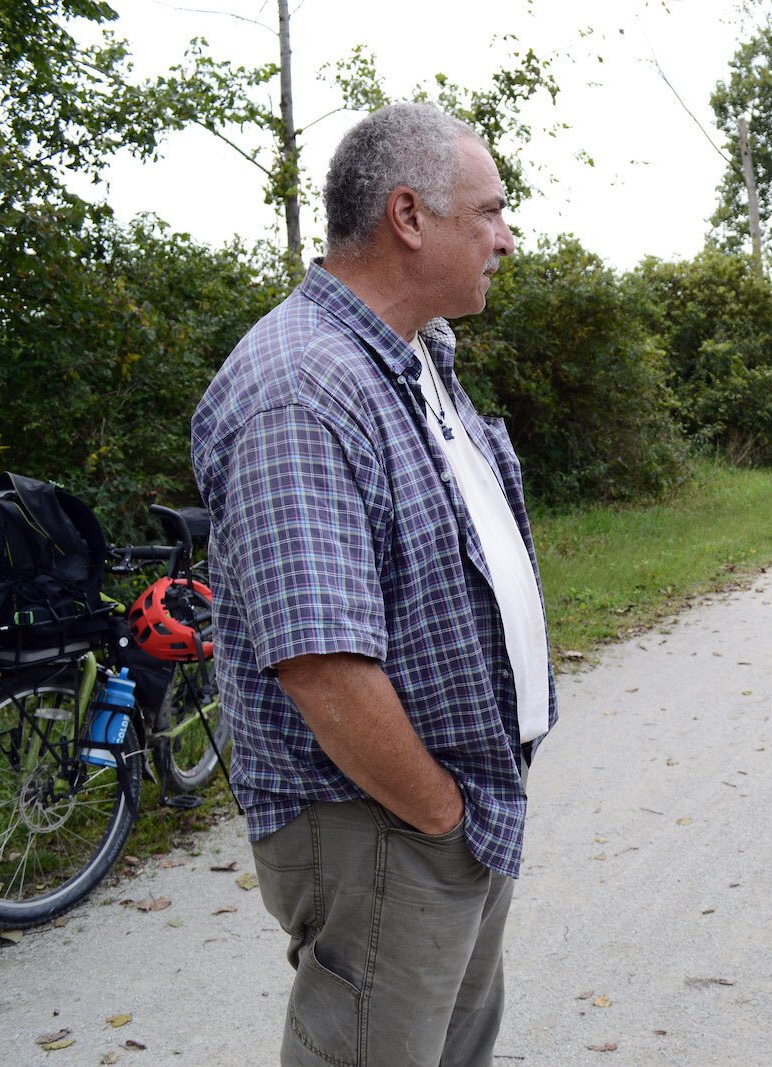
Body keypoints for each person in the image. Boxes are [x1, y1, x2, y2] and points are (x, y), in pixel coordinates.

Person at [192, 102, 555, 1066]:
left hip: (448, 809)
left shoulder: (413, 356)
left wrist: (467, 808)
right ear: (408, 216)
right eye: (488, 211)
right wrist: (437, 813)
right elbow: (321, 665)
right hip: (383, 820)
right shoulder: (300, 385)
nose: (505, 238)